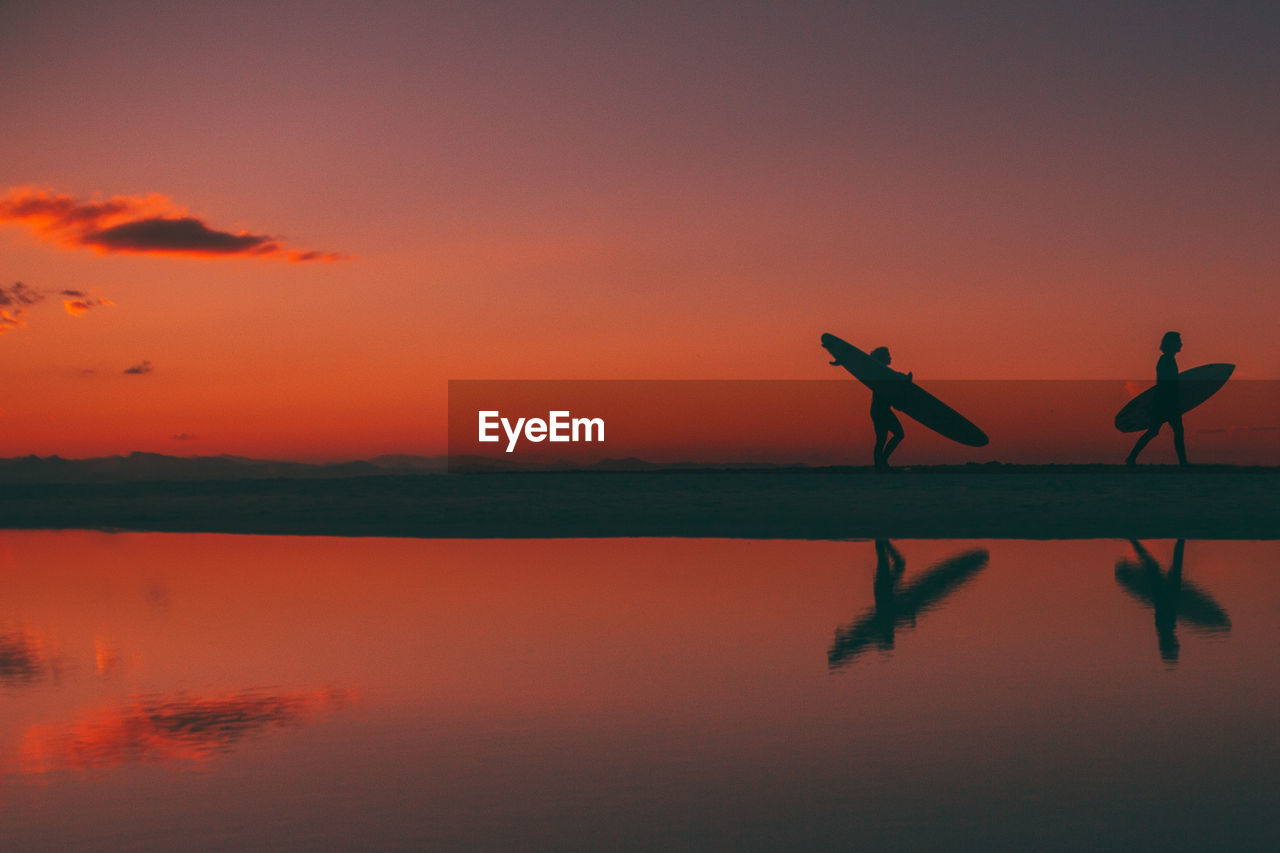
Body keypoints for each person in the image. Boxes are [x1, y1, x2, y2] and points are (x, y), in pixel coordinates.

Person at [1126, 331, 1188, 466]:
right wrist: (1174, 400)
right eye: (1178, 341)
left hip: (1164, 401)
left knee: (1158, 431)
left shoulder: (1168, 359)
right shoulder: (1166, 360)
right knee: (1167, 430)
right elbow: (1166, 383)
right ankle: (1183, 462)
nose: (1181, 344)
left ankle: (1131, 458)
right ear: (1171, 344)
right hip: (1165, 401)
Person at [868, 346, 912, 471]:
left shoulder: (883, 373)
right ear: (882, 358)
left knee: (882, 439)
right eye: (887, 355)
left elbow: (893, 384)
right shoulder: (881, 373)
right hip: (880, 411)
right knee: (896, 435)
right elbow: (893, 382)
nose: (890, 357)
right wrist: (905, 379)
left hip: (880, 410)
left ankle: (880, 464)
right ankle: (881, 463)